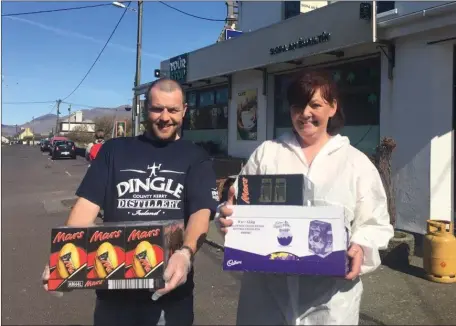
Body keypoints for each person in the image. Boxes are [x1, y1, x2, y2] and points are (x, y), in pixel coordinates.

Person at [216, 71, 394, 325]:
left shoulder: (355, 163)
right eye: (298, 106)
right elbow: (236, 210)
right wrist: (227, 219)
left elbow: (375, 223)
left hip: (330, 302)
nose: (305, 113)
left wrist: (360, 246)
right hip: (265, 299)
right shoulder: (267, 154)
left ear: (332, 108)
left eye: (315, 105)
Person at [42, 78, 219, 326]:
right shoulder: (114, 151)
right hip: (114, 295)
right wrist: (64, 255)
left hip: (169, 294)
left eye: (173, 110)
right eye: (158, 109)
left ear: (184, 111)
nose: (165, 117)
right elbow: (85, 207)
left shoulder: (196, 157)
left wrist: (186, 253)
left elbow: (201, 212)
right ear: (145, 108)